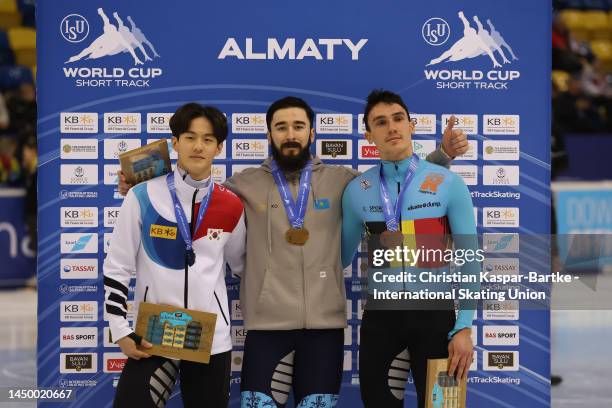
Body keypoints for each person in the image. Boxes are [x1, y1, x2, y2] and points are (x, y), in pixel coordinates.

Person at [118, 96, 468, 407]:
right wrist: (143, 181)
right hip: (267, 327)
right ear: (269, 135)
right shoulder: (242, 185)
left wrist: (442, 157)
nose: (291, 134)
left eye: (299, 126)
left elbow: (395, 184)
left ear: (311, 134)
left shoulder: (343, 180)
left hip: (327, 328)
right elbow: (193, 186)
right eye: (281, 127)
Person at [341, 90, 479, 408]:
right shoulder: (357, 191)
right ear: (369, 135)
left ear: (411, 125)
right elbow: (340, 257)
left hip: (437, 320)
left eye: (398, 119)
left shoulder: (448, 183)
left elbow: (470, 259)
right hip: (381, 322)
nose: (392, 127)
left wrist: (464, 327)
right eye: (381, 122)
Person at [104, 103, 246, 408]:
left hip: (210, 337)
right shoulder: (142, 195)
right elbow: (117, 266)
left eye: (208, 140)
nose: (198, 146)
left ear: (219, 147)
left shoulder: (232, 205)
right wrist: (120, 330)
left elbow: (241, 264)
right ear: (175, 142)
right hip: (153, 334)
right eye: (190, 137)